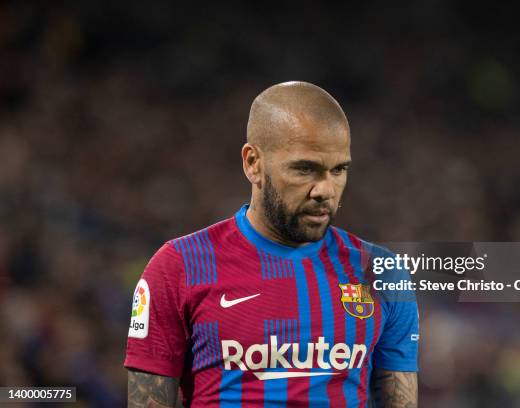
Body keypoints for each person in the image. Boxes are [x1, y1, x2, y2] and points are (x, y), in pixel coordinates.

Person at [124, 81, 419, 407]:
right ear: (253, 163)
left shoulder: (380, 272)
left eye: (339, 170)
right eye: (305, 168)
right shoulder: (179, 266)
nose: (325, 190)